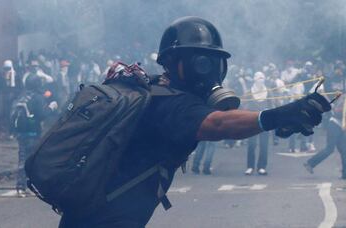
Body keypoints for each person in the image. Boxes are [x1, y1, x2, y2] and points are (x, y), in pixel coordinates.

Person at [59, 17, 330, 227]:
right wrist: (274, 117)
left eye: (214, 63)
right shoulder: (171, 103)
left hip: (92, 212)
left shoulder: (152, 88)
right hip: (107, 219)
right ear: (175, 63)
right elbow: (219, 125)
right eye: (200, 62)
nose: (208, 71)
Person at [13, 75, 58, 197]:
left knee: (22, 159)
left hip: (21, 133)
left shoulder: (22, 96)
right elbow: (42, 114)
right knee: (34, 161)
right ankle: (34, 185)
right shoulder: (37, 97)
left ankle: (20, 186)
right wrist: (51, 107)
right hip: (33, 133)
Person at [303, 95, 346, 179]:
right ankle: (310, 163)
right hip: (334, 125)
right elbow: (337, 111)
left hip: (341, 127)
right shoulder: (345, 99)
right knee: (330, 149)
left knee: (344, 150)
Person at [245, 72, 270, 175]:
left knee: (264, 145)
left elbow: (274, 105)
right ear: (255, 79)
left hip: (265, 122)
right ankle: (250, 166)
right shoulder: (249, 92)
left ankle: (262, 166)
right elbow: (243, 105)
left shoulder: (268, 92)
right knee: (251, 144)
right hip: (252, 122)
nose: (261, 80)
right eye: (259, 78)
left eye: (262, 78)